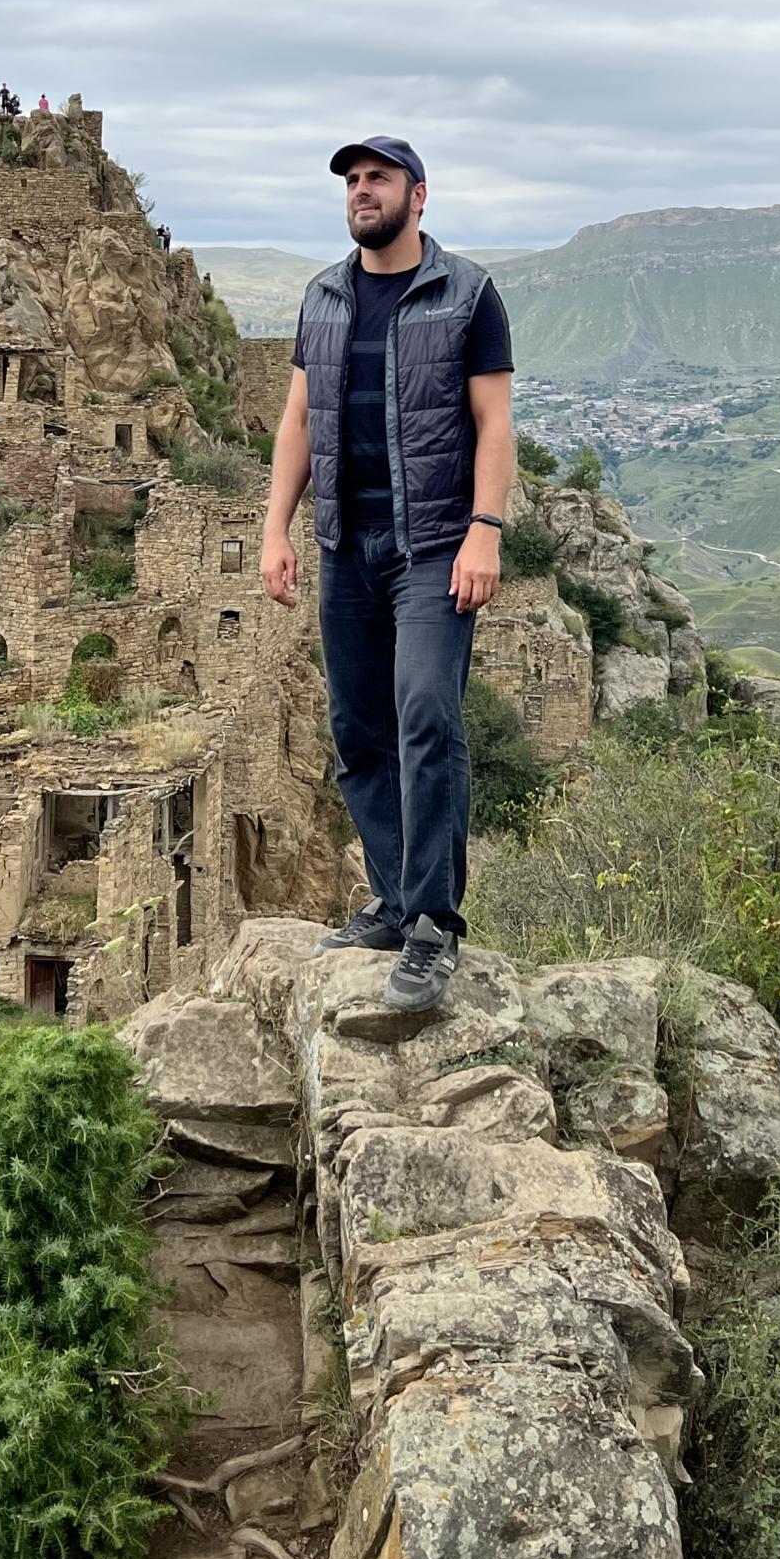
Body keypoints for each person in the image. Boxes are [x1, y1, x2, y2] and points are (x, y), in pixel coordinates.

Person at [260, 135, 514, 1013]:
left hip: (434, 546)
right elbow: (299, 420)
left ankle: (434, 923)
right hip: (345, 546)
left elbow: (494, 422)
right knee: (359, 730)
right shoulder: (324, 297)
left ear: (418, 195)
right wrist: (276, 528)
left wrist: (485, 531)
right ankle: (394, 902)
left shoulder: (466, 294)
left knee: (426, 718)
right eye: (353, 181)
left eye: (379, 178)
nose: (362, 191)